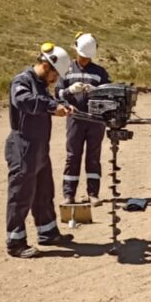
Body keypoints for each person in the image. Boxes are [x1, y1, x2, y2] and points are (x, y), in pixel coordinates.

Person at [5, 42, 76, 258]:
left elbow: (49, 100)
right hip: (23, 146)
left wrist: (62, 103)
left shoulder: (41, 84)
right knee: (21, 194)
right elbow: (24, 101)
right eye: (56, 75)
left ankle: (48, 232)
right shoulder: (22, 81)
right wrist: (52, 107)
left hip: (39, 147)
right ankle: (15, 242)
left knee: (44, 191)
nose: (56, 80)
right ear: (47, 66)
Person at [56, 33, 111, 207]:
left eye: (88, 57)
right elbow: (57, 94)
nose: (85, 59)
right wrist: (69, 92)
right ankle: (69, 194)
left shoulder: (100, 72)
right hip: (75, 119)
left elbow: (110, 94)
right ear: (76, 52)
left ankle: (93, 194)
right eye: (82, 56)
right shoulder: (66, 70)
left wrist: (96, 90)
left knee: (93, 157)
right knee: (73, 156)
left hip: (96, 120)